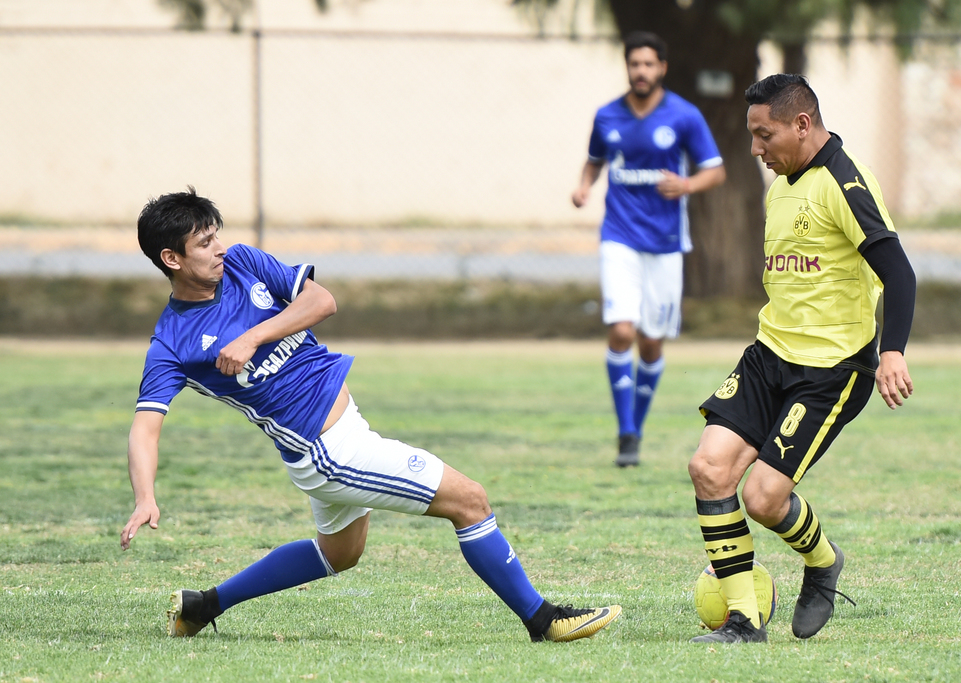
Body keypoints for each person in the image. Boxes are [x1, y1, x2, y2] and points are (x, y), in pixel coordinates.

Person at [120, 187, 621, 643]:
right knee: (470, 501)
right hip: (328, 452)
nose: (219, 249)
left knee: (339, 554)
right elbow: (145, 429)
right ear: (172, 258)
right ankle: (543, 620)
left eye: (217, 236)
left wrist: (253, 336)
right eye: (204, 243)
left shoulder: (243, 263)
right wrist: (145, 497)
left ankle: (203, 605)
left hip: (342, 431)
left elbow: (322, 301)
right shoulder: (172, 343)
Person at [688, 74, 916, 644]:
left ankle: (823, 561)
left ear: (802, 124)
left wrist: (892, 351)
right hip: (770, 354)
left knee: (764, 499)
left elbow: (900, 273)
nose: (755, 149)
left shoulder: (844, 182)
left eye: (764, 135)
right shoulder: (781, 186)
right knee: (709, 469)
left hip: (832, 369)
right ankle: (744, 622)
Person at [572, 31, 726, 468]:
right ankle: (625, 431)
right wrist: (584, 186)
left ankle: (636, 428)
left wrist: (687, 184)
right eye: (634, 64)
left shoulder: (684, 115)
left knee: (652, 342)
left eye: (648, 64)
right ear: (627, 67)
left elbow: (715, 171)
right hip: (619, 236)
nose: (641, 71)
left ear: (662, 68)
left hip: (665, 243)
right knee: (622, 332)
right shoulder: (607, 115)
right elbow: (595, 160)